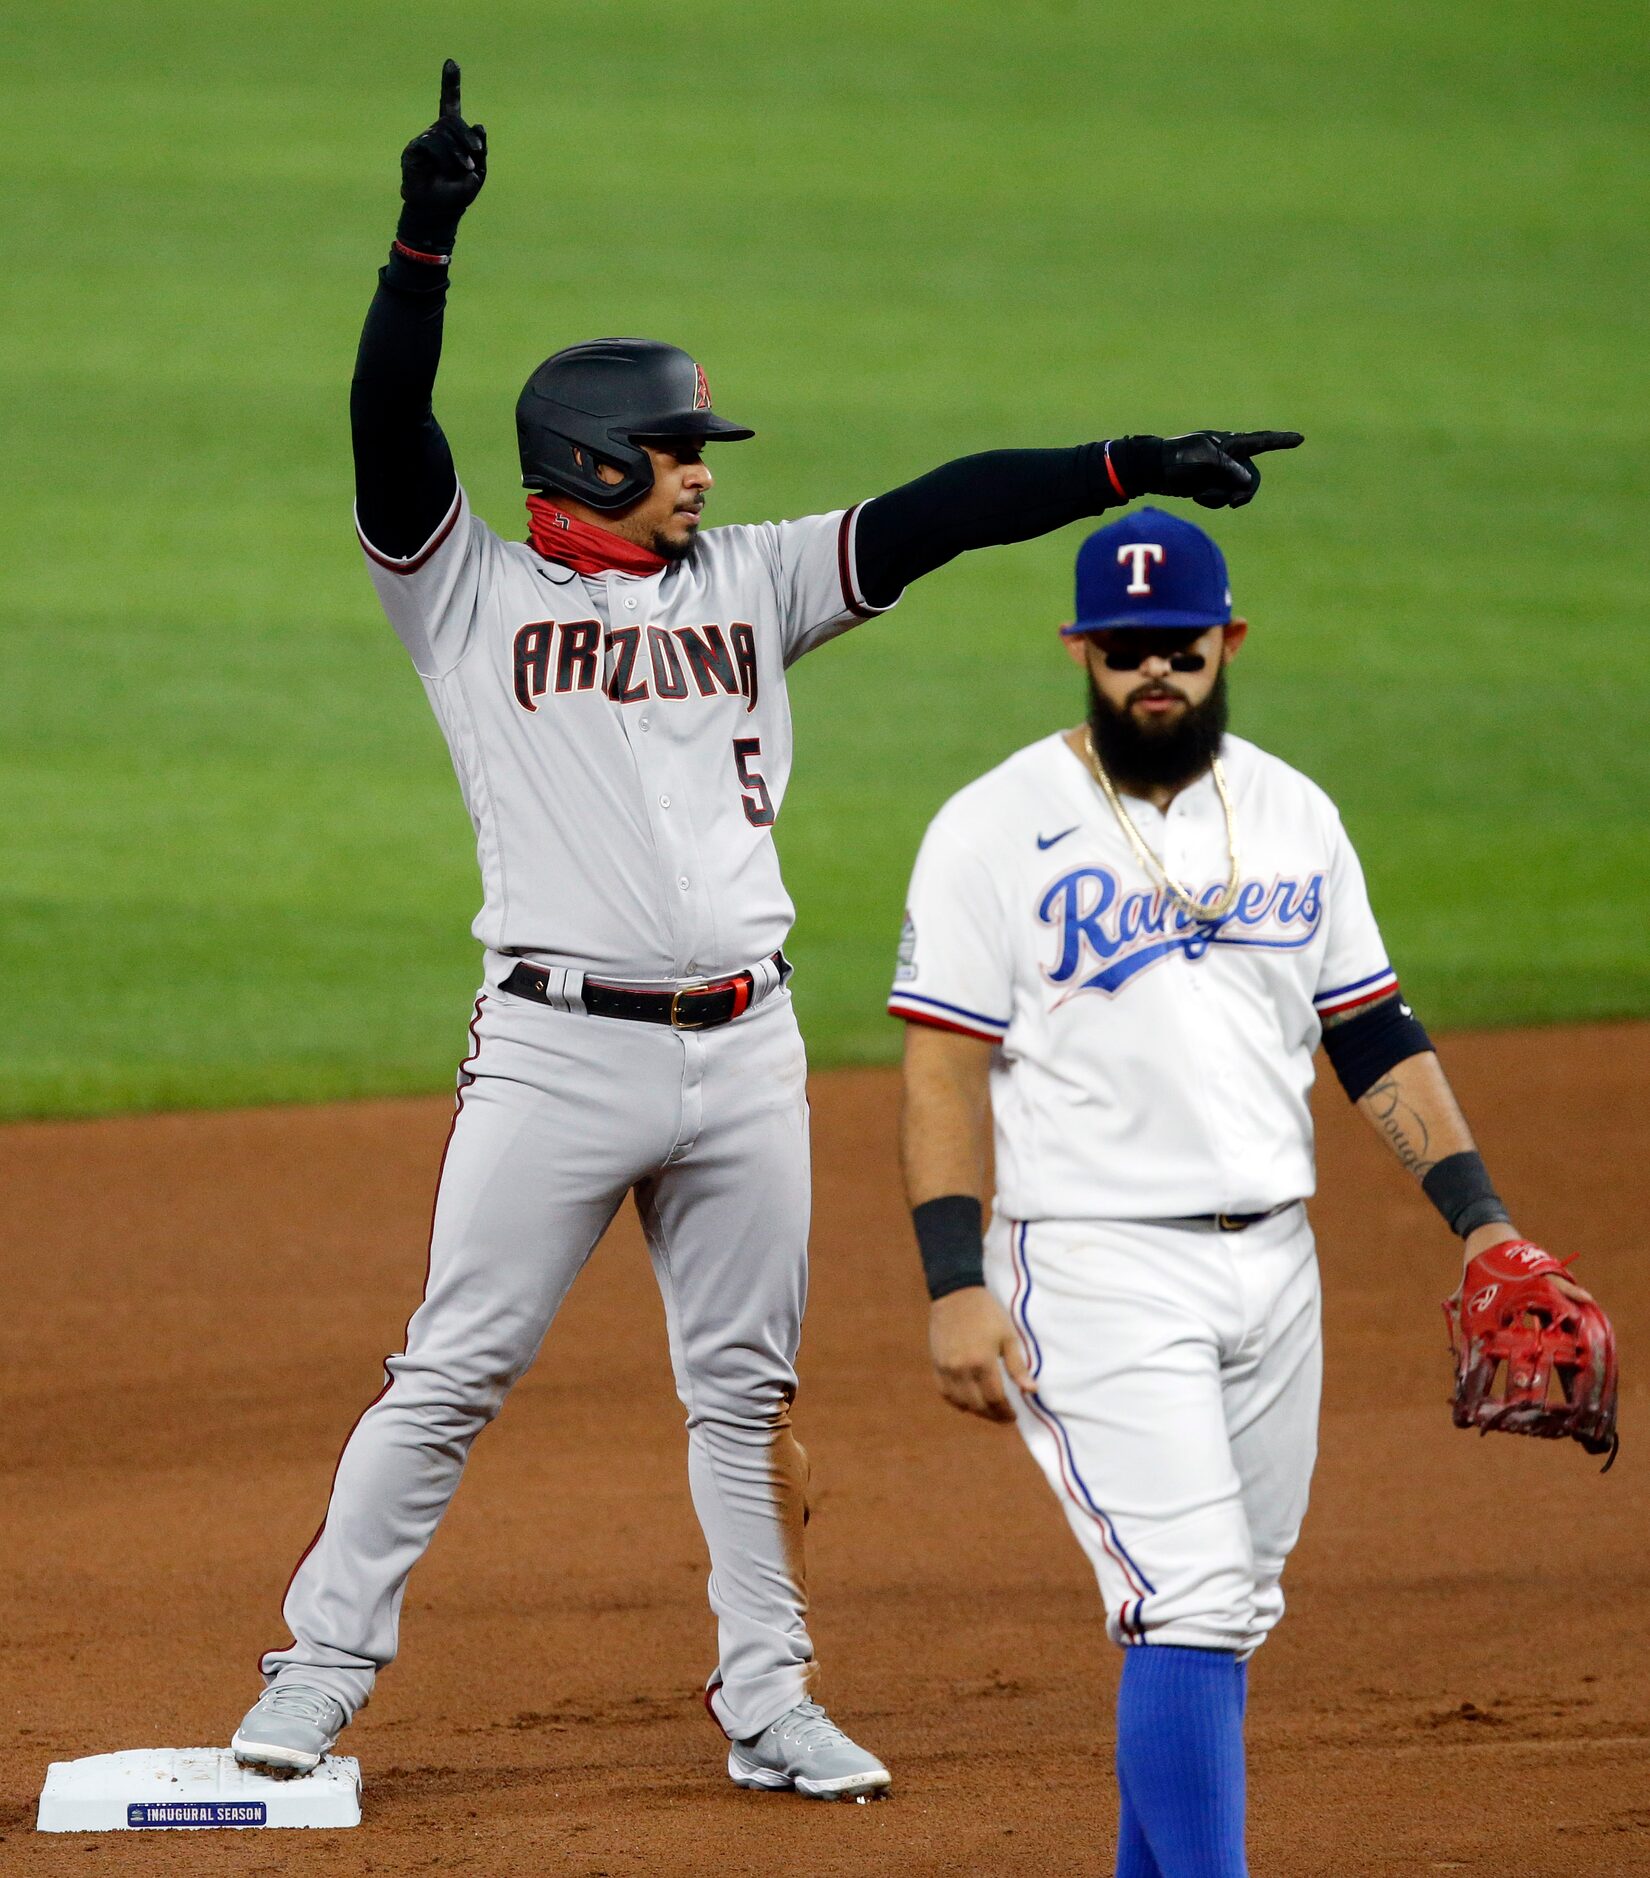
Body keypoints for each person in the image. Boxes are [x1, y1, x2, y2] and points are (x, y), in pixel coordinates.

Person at [227, 61, 1304, 1802]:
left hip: (746, 1051)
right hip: (556, 1049)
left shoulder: (753, 585)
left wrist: (1124, 467)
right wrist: (420, 243)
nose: (699, 479)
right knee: (447, 1377)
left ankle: (767, 1695)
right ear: (589, 457)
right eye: (673, 453)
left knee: (742, 1398)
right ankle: (312, 1676)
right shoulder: (466, 592)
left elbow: (938, 510)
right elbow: (385, 426)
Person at [889, 507, 1617, 1872]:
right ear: (1076, 649)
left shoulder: (1292, 812)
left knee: (1219, 1607)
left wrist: (1485, 1219)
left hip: (1274, 1267)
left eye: (1175, 647)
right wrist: (952, 1279)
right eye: (1121, 651)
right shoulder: (991, 827)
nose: (1149, 674)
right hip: (1092, 1264)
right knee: (1194, 1595)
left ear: (1225, 641)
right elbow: (940, 1063)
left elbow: (1371, 1031)